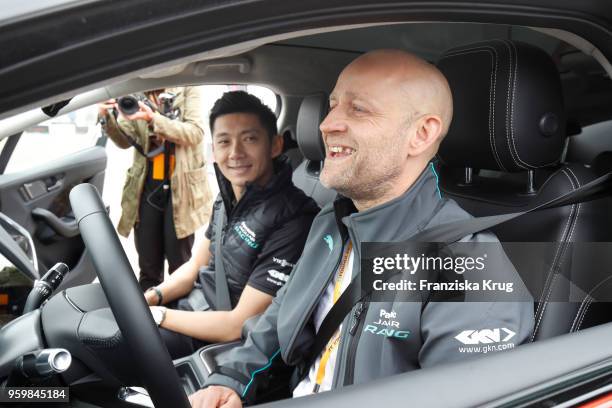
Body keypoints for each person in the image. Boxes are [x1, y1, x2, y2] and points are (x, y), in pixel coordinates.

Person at [188, 50, 535, 408]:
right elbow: (283, 313)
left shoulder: (471, 268)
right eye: (334, 105)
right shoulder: (332, 221)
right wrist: (232, 378)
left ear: (421, 134)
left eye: (358, 109)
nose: (327, 124)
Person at [144, 91, 319, 358]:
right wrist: (152, 296)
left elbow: (237, 326)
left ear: (275, 145)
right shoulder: (227, 196)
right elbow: (194, 267)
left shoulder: (294, 219)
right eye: (224, 142)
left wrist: (157, 315)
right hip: (190, 312)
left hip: (214, 342)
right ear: (214, 150)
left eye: (249, 139)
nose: (235, 153)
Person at [98, 87, 213, 291]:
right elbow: (125, 142)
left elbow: (195, 133)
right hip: (146, 184)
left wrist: (154, 119)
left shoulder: (187, 88)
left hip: (182, 187)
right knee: (148, 267)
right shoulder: (137, 92)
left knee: (180, 264)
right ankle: (148, 317)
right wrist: (106, 117)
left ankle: (179, 317)